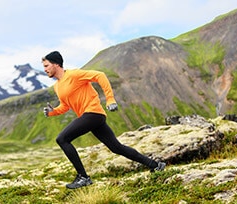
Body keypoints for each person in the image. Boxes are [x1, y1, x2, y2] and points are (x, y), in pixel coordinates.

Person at [42, 51, 166, 189]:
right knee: (116, 148)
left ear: (56, 64)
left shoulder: (74, 75)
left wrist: (110, 99)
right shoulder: (57, 86)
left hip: (93, 113)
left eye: (47, 66)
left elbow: (100, 75)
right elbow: (65, 105)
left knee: (62, 139)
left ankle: (83, 177)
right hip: (91, 117)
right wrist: (53, 112)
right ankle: (155, 165)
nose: (45, 69)